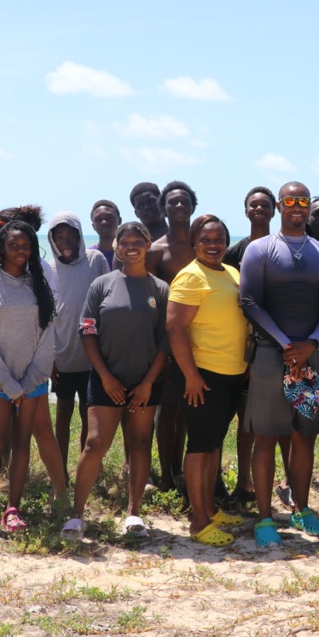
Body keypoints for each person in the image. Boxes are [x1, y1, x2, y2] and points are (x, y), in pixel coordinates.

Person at [239, 182, 319, 547]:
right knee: (266, 437)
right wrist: (286, 345)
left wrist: (310, 344)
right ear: (280, 206)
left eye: (303, 200)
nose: (297, 207)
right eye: (290, 201)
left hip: (312, 357)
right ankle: (265, 517)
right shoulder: (259, 250)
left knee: (304, 436)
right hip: (271, 356)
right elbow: (249, 301)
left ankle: (302, 508)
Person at [61, 222, 169, 540]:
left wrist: (149, 383)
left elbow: (165, 343)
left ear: (148, 245)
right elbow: (88, 331)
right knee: (95, 444)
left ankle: (133, 515)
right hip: (106, 379)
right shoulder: (102, 285)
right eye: (125, 241)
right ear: (117, 247)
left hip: (144, 383)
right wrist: (106, 377)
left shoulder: (159, 289)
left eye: (138, 240)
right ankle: (76, 516)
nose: (131, 246)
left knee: (139, 444)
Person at [0, 221, 66, 532]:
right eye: (14, 245)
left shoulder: (39, 286)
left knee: (23, 444)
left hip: (33, 382)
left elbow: (47, 337)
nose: (20, 251)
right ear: (2, 248)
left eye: (26, 246)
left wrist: (30, 381)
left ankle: (13, 509)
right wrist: (9, 385)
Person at [166, 215, 250, 546]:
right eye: (205, 239)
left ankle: (211, 509)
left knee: (214, 443)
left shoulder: (230, 273)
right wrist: (190, 375)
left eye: (218, 239)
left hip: (231, 373)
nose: (213, 244)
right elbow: (175, 328)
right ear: (194, 244)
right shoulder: (190, 277)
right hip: (201, 375)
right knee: (200, 447)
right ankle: (198, 521)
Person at [223, 185, 278, 506]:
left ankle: (280, 483)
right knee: (246, 419)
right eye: (253, 205)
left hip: (279, 344)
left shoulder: (284, 247)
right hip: (244, 345)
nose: (258, 210)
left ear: (274, 211)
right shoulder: (234, 253)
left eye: (264, 205)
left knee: (280, 422)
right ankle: (244, 482)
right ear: (245, 211)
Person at [47, 211, 110, 479]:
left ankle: (89, 468)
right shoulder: (48, 268)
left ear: (80, 235)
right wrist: (48, 357)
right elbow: (46, 316)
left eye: (71, 234)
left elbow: (109, 299)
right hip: (61, 355)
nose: (65, 241)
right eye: (59, 236)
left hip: (92, 354)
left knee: (89, 415)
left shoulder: (95, 260)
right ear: (51, 239)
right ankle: (60, 470)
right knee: (63, 412)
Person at [147, 180, 198, 492]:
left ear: (193, 206)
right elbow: (149, 300)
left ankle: (190, 474)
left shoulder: (204, 243)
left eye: (184, 202)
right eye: (173, 203)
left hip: (204, 340)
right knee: (168, 409)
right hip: (168, 341)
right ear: (163, 208)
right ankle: (167, 475)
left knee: (193, 410)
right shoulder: (155, 251)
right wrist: (158, 347)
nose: (179, 207)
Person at [88, 199, 122, 269]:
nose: (104, 222)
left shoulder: (128, 253)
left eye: (109, 217)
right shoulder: (88, 256)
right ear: (93, 226)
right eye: (98, 219)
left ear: (119, 220)